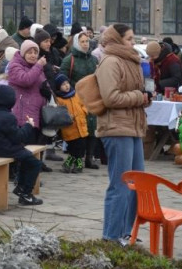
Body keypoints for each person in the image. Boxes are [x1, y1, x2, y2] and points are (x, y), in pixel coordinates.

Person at [96, 23, 149, 246]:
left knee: (138, 183)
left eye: (133, 38)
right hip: (116, 128)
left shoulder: (131, 60)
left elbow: (133, 92)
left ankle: (128, 232)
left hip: (133, 126)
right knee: (120, 184)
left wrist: (145, 96)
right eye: (129, 39)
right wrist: (138, 97)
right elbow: (110, 98)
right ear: (117, 40)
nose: (133, 42)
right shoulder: (110, 61)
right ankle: (111, 235)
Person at [0, 84, 43, 206]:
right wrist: (28, 125)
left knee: (26, 158)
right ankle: (26, 194)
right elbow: (18, 137)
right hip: (6, 149)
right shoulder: (8, 117)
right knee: (35, 163)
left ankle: (20, 187)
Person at [60, 31, 100, 168]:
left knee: (92, 127)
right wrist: (73, 90)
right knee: (78, 129)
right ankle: (77, 157)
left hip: (92, 98)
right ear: (77, 42)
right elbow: (63, 79)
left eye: (87, 41)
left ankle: (89, 157)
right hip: (75, 99)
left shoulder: (94, 59)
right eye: (82, 41)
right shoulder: (69, 59)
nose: (85, 44)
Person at [7, 40, 47, 142]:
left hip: (37, 113)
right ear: (23, 53)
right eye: (29, 52)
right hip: (23, 115)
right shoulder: (15, 66)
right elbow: (26, 80)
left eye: (35, 52)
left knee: (36, 149)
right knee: (26, 148)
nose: (33, 55)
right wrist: (38, 66)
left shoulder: (36, 67)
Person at [53, 73, 89, 174]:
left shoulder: (76, 94)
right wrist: (67, 117)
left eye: (67, 83)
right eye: (63, 84)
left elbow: (84, 104)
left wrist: (84, 111)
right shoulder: (59, 99)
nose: (66, 85)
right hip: (70, 127)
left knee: (81, 145)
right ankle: (77, 163)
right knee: (73, 147)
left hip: (81, 125)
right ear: (59, 87)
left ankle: (70, 164)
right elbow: (59, 112)